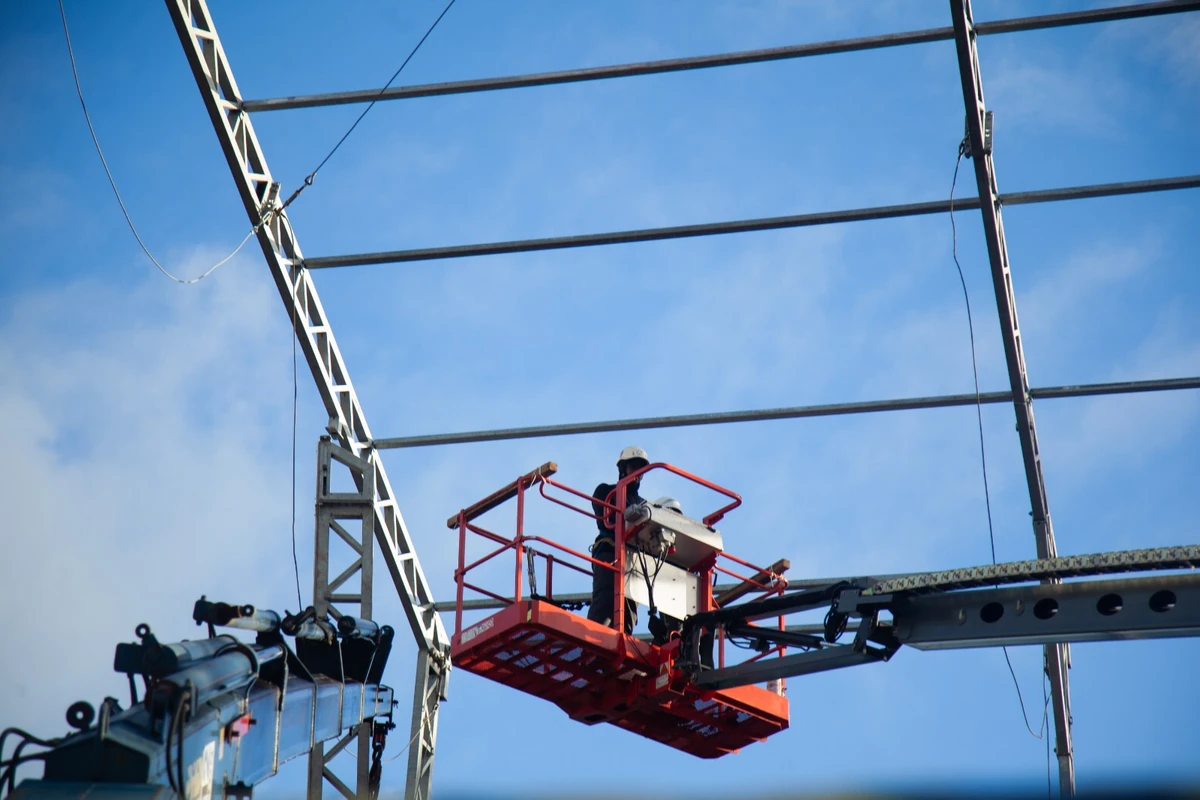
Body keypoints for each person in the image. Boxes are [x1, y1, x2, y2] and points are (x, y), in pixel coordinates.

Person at [587, 446, 649, 633]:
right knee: (605, 603)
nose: (637, 474)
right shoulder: (606, 491)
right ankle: (594, 639)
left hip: (634, 561)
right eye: (634, 468)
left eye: (641, 470)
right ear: (623, 468)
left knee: (628, 613)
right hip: (609, 554)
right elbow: (607, 520)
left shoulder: (644, 504)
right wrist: (628, 514)